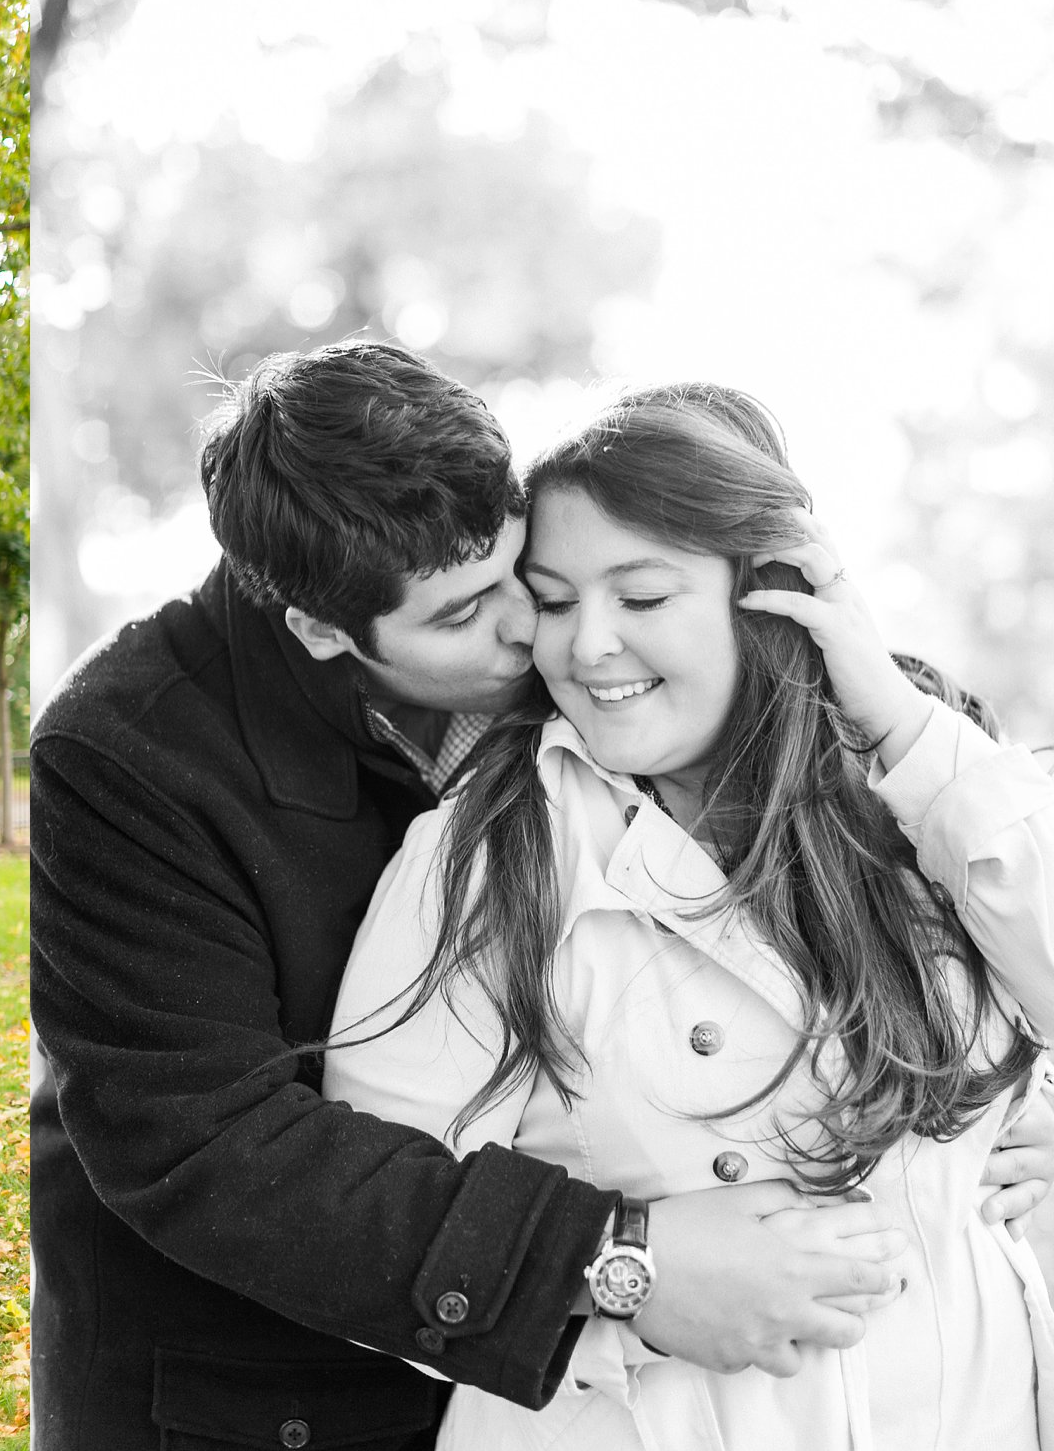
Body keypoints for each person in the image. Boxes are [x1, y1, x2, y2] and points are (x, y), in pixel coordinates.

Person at [29, 341, 1054, 1449]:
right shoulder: (137, 756)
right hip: (246, 1387)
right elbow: (208, 1143)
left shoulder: (899, 751)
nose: (540, 634)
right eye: (479, 611)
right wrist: (618, 1262)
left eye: (527, 571)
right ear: (323, 630)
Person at [326, 383, 1054, 1448]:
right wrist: (628, 1280)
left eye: (642, 595)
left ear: (765, 590)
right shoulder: (490, 854)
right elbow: (371, 1230)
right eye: (556, 601)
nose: (587, 647)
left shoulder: (925, 785)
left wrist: (899, 723)